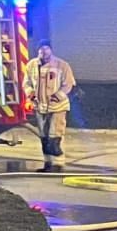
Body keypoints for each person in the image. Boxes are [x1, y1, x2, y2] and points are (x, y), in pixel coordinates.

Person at [29, 39, 77, 173]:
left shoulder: (62, 65)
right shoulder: (31, 65)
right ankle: (48, 163)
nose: (43, 51)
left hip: (58, 107)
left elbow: (68, 84)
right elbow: (26, 82)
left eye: (46, 48)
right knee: (44, 137)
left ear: (51, 50)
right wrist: (31, 94)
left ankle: (58, 164)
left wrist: (58, 96)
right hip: (40, 107)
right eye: (41, 49)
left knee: (54, 137)